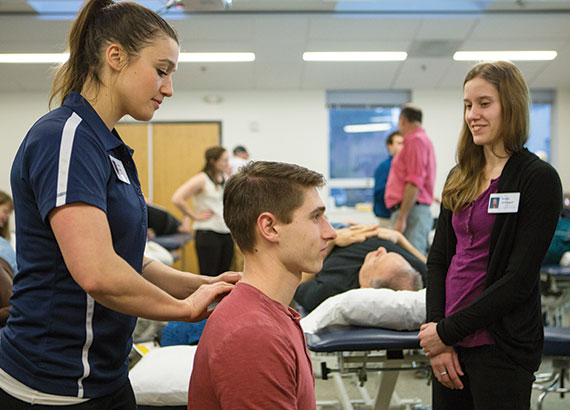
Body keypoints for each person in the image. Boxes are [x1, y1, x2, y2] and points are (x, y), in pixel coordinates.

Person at [0, 2, 239, 409]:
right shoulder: (65, 137)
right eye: (161, 70)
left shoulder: (111, 149)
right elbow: (97, 272)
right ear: (115, 57)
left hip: (105, 373)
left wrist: (207, 285)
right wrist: (183, 310)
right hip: (52, 382)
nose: (168, 88)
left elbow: (131, 261)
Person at [418, 61, 562, 410]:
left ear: (510, 106)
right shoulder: (461, 175)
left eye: (484, 103)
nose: (473, 115)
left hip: (501, 344)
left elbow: (518, 280)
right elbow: (439, 260)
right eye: (468, 105)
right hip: (450, 342)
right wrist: (439, 331)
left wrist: (445, 333)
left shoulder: (537, 179)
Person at [188, 161, 337, 409]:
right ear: (269, 227)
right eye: (315, 217)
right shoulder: (255, 335)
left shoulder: (270, 316)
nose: (331, 232)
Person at [295, 224, 426, 312]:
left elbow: (297, 285)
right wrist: (400, 239)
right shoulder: (416, 274)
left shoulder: (331, 288)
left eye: (378, 259)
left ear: (368, 286)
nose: (381, 249)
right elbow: (431, 266)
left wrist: (330, 242)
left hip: (323, 237)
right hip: (359, 228)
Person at [172, 146, 234, 276]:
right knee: (209, 276)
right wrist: (194, 216)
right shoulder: (201, 179)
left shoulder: (225, 177)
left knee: (225, 275)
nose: (227, 163)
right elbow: (178, 199)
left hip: (226, 232)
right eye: (224, 160)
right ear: (213, 161)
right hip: (208, 233)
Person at [385, 104, 436, 254]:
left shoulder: (415, 141)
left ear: (403, 120)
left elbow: (414, 182)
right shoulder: (419, 140)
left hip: (411, 211)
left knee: (411, 259)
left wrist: (402, 218)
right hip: (411, 210)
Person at [373, 131, 404, 227]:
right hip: (388, 217)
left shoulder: (404, 166)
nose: (402, 147)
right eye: (399, 143)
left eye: (403, 143)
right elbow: (380, 193)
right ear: (389, 146)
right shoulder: (384, 167)